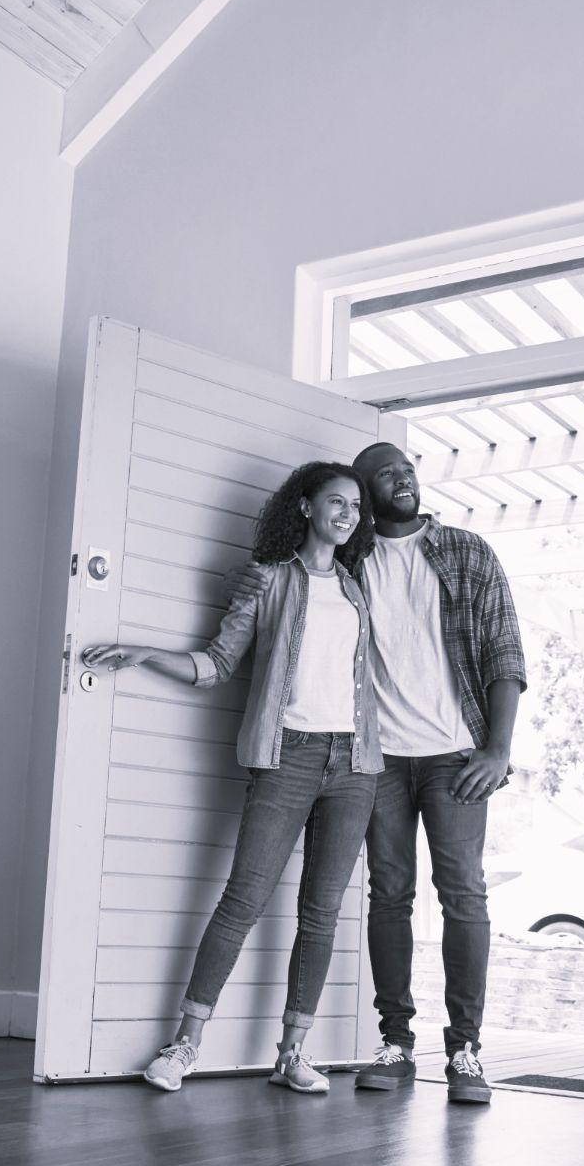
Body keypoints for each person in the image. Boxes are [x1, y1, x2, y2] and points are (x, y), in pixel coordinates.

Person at [228, 440, 525, 1104]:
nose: (403, 478)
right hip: (376, 757)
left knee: (464, 893)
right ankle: (396, 1043)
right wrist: (254, 585)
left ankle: (466, 1049)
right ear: (362, 496)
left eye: (408, 469)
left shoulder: (466, 552)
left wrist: (498, 749)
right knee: (389, 894)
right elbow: (295, 592)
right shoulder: (351, 562)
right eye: (386, 473)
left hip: (456, 754)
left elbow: (504, 650)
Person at [82, 461, 382, 1095]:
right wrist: (146, 654)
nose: (349, 513)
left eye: (356, 505)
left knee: (322, 912)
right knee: (242, 901)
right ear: (305, 507)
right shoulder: (267, 580)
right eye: (336, 501)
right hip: (288, 754)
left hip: (355, 764)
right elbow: (218, 664)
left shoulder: (360, 590)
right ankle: (185, 1044)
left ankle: (292, 1054)